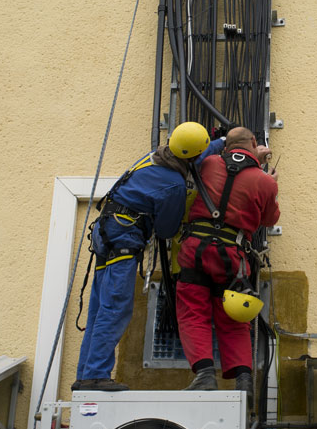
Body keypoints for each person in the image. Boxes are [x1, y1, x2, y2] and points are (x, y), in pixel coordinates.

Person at [72, 122, 223, 392]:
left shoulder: (158, 155)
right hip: (124, 239)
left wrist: (221, 142)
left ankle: (86, 375)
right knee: (116, 307)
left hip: (107, 232)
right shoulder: (174, 185)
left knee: (99, 309)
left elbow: (193, 156)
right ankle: (95, 376)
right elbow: (166, 230)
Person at [176, 126, 280, 395]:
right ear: (254, 142)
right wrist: (269, 179)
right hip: (233, 256)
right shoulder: (265, 182)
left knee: (193, 311)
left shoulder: (209, 162)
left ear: (225, 146)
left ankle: (204, 375)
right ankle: (243, 381)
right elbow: (269, 219)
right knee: (234, 318)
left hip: (196, 248)